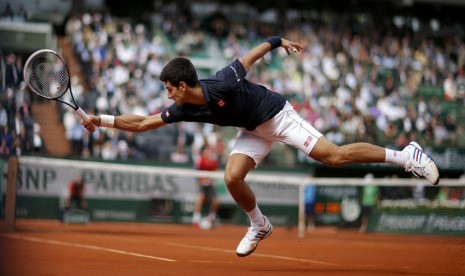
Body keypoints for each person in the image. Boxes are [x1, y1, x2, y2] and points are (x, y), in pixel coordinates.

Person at [81, 36, 440, 257]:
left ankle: (406, 155)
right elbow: (143, 123)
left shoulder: (222, 81)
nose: (166, 95)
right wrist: (102, 119)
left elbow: (250, 57)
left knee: (334, 156)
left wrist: (278, 39)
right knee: (232, 177)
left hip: (277, 115)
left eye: (167, 88)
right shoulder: (181, 108)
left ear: (180, 85)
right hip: (251, 129)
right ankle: (260, 225)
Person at [192, 144, 220, 229]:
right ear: (204, 151)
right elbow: (196, 172)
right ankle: (195, 219)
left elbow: (214, 173)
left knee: (216, 201)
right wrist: (201, 181)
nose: (209, 152)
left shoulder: (214, 161)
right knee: (201, 198)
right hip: (201, 183)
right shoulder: (200, 160)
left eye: (210, 150)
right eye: (207, 150)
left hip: (210, 184)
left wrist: (210, 180)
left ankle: (211, 218)